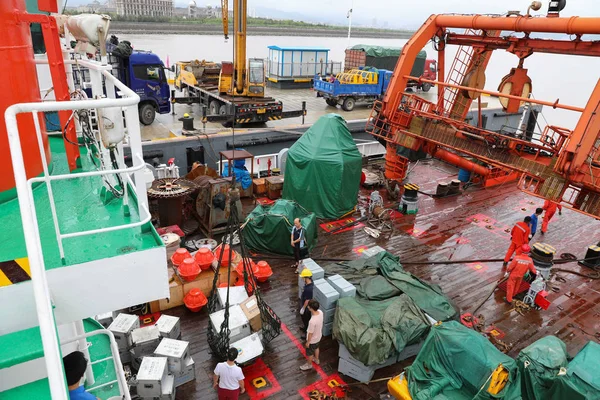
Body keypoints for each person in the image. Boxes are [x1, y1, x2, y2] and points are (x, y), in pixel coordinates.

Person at [300, 299, 323, 371]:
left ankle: (309, 364)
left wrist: (308, 342)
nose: (308, 307)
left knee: (309, 353)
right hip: (318, 336)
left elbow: (310, 333)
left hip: (312, 340)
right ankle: (316, 359)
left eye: (309, 306)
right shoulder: (321, 312)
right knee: (316, 347)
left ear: (311, 308)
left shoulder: (312, 321)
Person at [299, 268, 314, 338]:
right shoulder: (310, 283)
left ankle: (307, 333)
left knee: (306, 319)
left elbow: (307, 300)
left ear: (306, 278)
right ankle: (305, 327)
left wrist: (303, 308)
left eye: (303, 278)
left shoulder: (308, 289)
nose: (302, 279)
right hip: (305, 303)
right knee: (304, 319)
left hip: (307, 307)